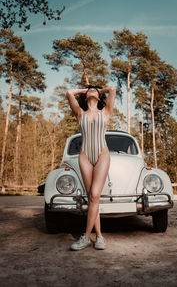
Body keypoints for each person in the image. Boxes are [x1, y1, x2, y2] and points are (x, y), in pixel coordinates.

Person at [66, 85, 116, 250]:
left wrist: (99, 91)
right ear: (85, 96)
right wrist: (85, 91)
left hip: (102, 155)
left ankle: (86, 236)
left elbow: (113, 89)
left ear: (100, 97)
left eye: (96, 90)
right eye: (90, 90)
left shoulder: (105, 112)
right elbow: (68, 93)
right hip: (85, 156)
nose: (92, 90)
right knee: (92, 198)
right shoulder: (80, 113)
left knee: (95, 194)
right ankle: (100, 236)